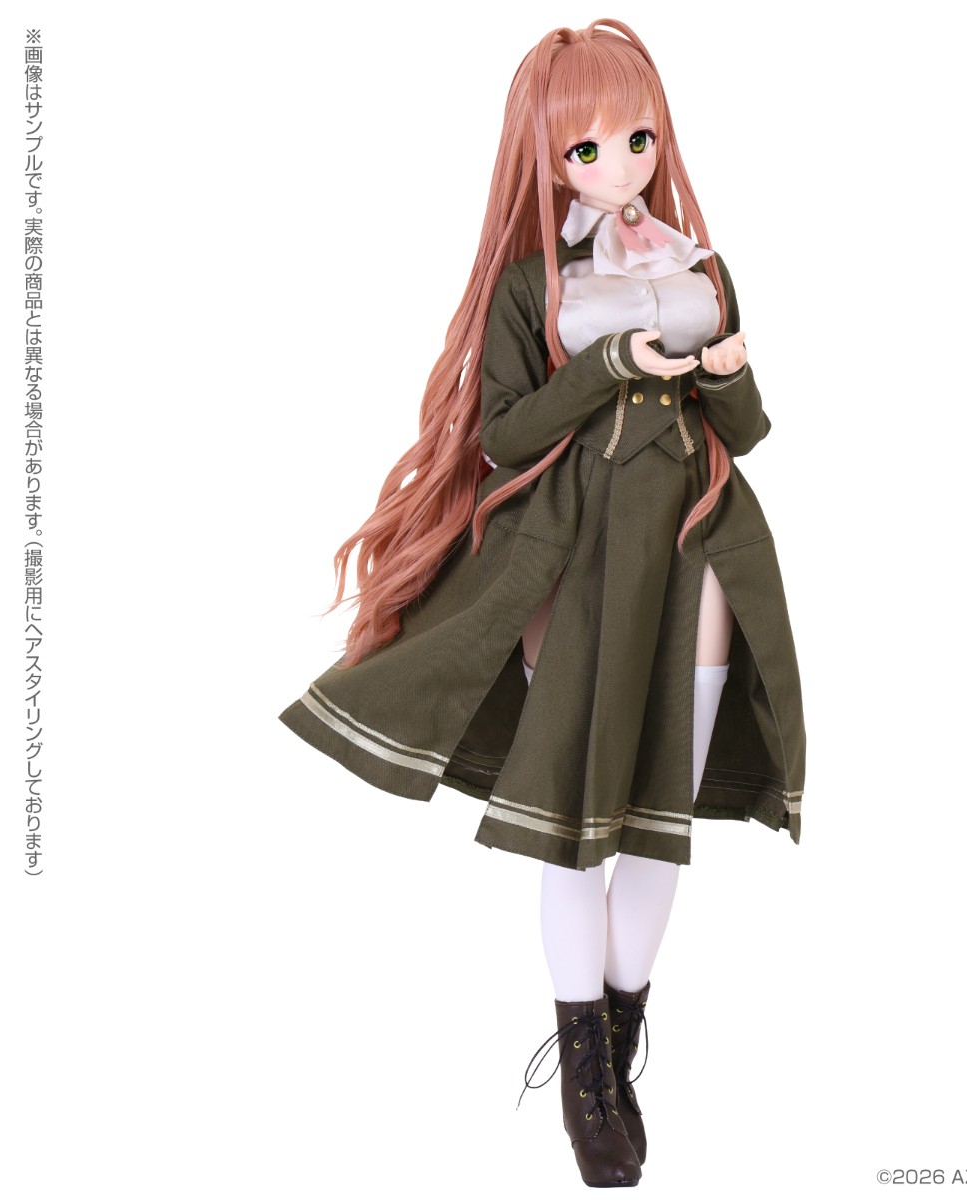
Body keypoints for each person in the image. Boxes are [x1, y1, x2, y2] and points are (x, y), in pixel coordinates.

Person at [278, 18, 806, 1187]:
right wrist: (611, 365)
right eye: (588, 149)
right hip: (568, 555)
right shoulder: (534, 287)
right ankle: (587, 1078)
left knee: (661, 809)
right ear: (549, 158)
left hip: (694, 544)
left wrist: (729, 374)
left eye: (637, 139)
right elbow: (508, 433)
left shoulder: (703, 269)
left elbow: (750, 430)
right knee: (573, 814)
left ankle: (614, 1039)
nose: (621, 166)